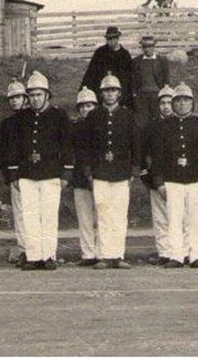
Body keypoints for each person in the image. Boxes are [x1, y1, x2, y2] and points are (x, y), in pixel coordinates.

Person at [6, 71, 73, 271]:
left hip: (51, 172)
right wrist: (14, 174)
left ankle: (49, 255)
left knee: (49, 215)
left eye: (39, 95)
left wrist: (66, 173)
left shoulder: (59, 116)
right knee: (29, 216)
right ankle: (33, 256)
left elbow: (67, 147)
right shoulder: (21, 118)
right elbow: (13, 147)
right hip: (27, 173)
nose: (35, 99)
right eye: (32, 95)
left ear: (47, 95)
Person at [152, 83, 198, 269]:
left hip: (196, 178)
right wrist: (159, 181)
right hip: (172, 179)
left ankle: (196, 254)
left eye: (186, 100)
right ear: (173, 104)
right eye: (178, 100)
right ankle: (176, 256)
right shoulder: (164, 125)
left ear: (192, 103)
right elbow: (158, 155)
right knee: (174, 218)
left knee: (196, 219)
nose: (182, 104)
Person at [84, 72, 140, 270]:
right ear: (101, 94)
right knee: (102, 212)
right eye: (106, 91)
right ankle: (103, 255)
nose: (110, 94)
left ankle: (118, 255)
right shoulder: (93, 116)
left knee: (119, 214)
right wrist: (89, 171)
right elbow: (87, 147)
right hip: (100, 171)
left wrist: (133, 169)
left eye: (113, 90)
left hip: (121, 171)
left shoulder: (128, 116)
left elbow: (136, 145)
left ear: (119, 93)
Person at [141, 84, 175, 265]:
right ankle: (164, 252)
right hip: (157, 178)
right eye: (163, 103)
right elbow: (143, 153)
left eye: (170, 102)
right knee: (160, 218)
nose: (166, 106)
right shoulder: (151, 126)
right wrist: (147, 176)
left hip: (179, 178)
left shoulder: (180, 124)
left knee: (179, 218)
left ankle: (180, 250)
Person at [1, 79, 29, 267]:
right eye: (11, 98)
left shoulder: (32, 119)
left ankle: (39, 250)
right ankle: (24, 250)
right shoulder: (8, 123)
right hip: (16, 174)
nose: (14, 101)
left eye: (18, 97)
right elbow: (6, 152)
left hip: (35, 172)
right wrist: (10, 175)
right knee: (20, 213)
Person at [72, 86, 100, 266]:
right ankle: (88, 253)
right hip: (80, 177)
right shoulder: (74, 127)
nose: (85, 110)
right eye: (82, 106)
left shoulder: (103, 125)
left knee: (102, 215)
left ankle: (102, 251)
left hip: (101, 176)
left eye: (89, 106)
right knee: (85, 216)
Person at [81, 26, 134, 108]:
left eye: (113, 38)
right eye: (109, 39)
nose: (111, 41)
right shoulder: (100, 53)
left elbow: (129, 76)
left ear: (118, 38)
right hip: (102, 91)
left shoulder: (125, 54)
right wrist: (85, 87)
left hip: (119, 92)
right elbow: (91, 72)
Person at [131, 35, 170, 128]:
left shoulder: (161, 60)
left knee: (158, 119)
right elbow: (133, 80)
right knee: (142, 121)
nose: (147, 49)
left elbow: (166, 78)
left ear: (154, 47)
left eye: (149, 47)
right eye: (144, 47)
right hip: (142, 96)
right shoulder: (136, 61)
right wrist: (135, 95)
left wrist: (165, 92)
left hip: (157, 94)